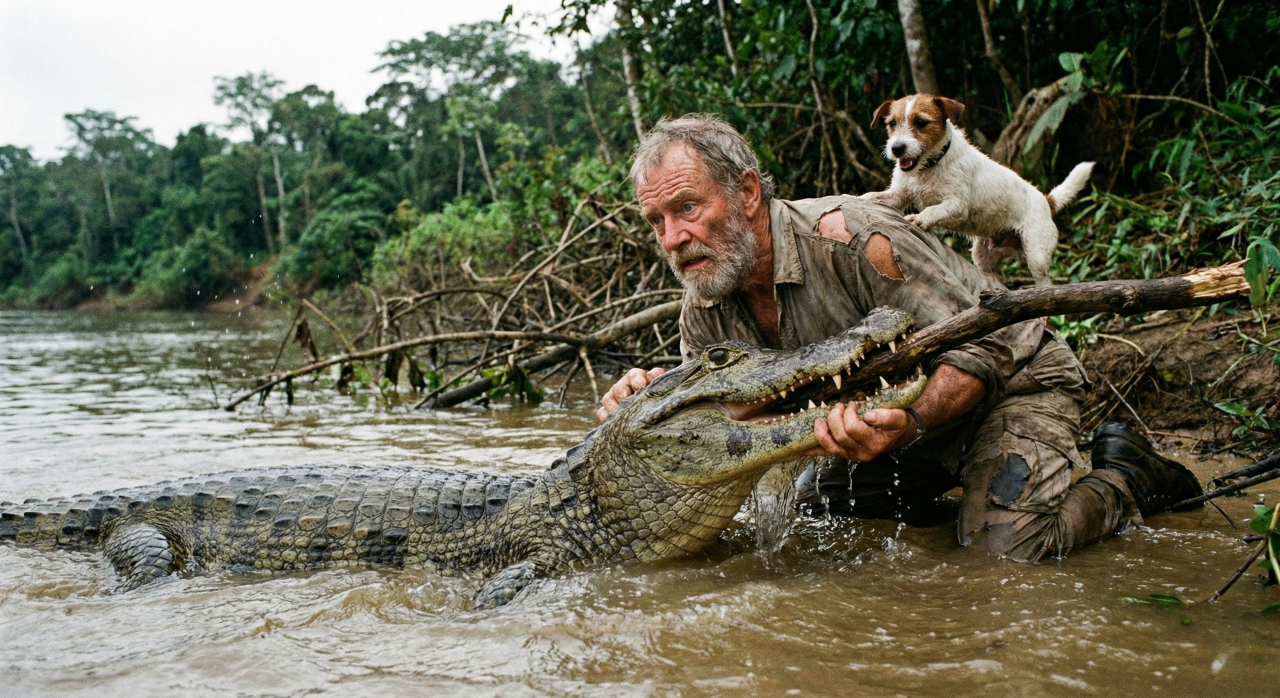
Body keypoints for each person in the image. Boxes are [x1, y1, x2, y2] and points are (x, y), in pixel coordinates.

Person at [596, 114, 1203, 561]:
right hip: (888, 433)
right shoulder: (703, 301)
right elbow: (725, 412)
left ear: (748, 193)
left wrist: (911, 426)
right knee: (821, 527)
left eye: (687, 208)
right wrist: (646, 399)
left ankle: (1127, 475)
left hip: (1011, 383)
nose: (673, 237)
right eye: (657, 221)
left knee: (1005, 551)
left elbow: (985, 344)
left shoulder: (857, 237)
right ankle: (964, 501)